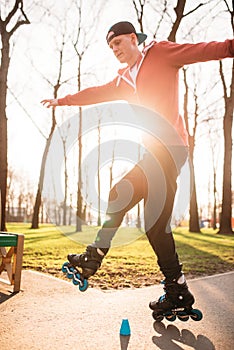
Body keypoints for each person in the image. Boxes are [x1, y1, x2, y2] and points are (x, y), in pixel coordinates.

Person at [42, 21, 234, 317]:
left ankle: (96, 258)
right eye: (110, 47)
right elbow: (96, 93)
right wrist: (62, 100)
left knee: (130, 200)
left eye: (118, 43)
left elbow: (205, 50)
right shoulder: (123, 80)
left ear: (133, 39)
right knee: (150, 222)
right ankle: (176, 288)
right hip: (153, 152)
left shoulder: (160, 53)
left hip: (170, 149)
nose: (115, 50)